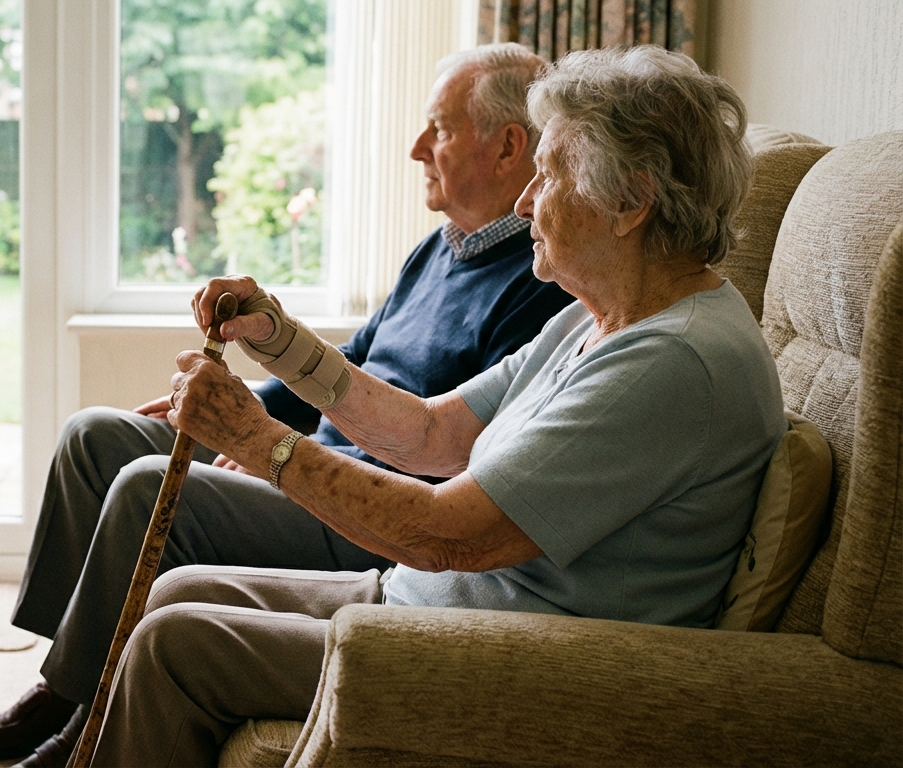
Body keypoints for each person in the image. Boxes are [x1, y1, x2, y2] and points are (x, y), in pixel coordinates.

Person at [87, 45, 786, 766]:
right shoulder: (597, 317)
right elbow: (430, 433)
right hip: (430, 605)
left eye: (549, 174)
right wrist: (277, 338)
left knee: (175, 643)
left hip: (507, 657)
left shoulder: (672, 363)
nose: (524, 201)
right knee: (176, 592)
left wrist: (259, 441)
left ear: (631, 202)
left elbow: (451, 536)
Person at [0, 43, 576, 766]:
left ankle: (77, 719)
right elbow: (352, 367)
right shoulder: (442, 248)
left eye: (438, 129)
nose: (415, 148)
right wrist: (252, 404)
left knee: (145, 489)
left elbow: (453, 456)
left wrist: (275, 452)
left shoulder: (541, 283)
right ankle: (64, 683)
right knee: (94, 438)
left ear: (508, 147)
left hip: (360, 503)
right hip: (314, 458)